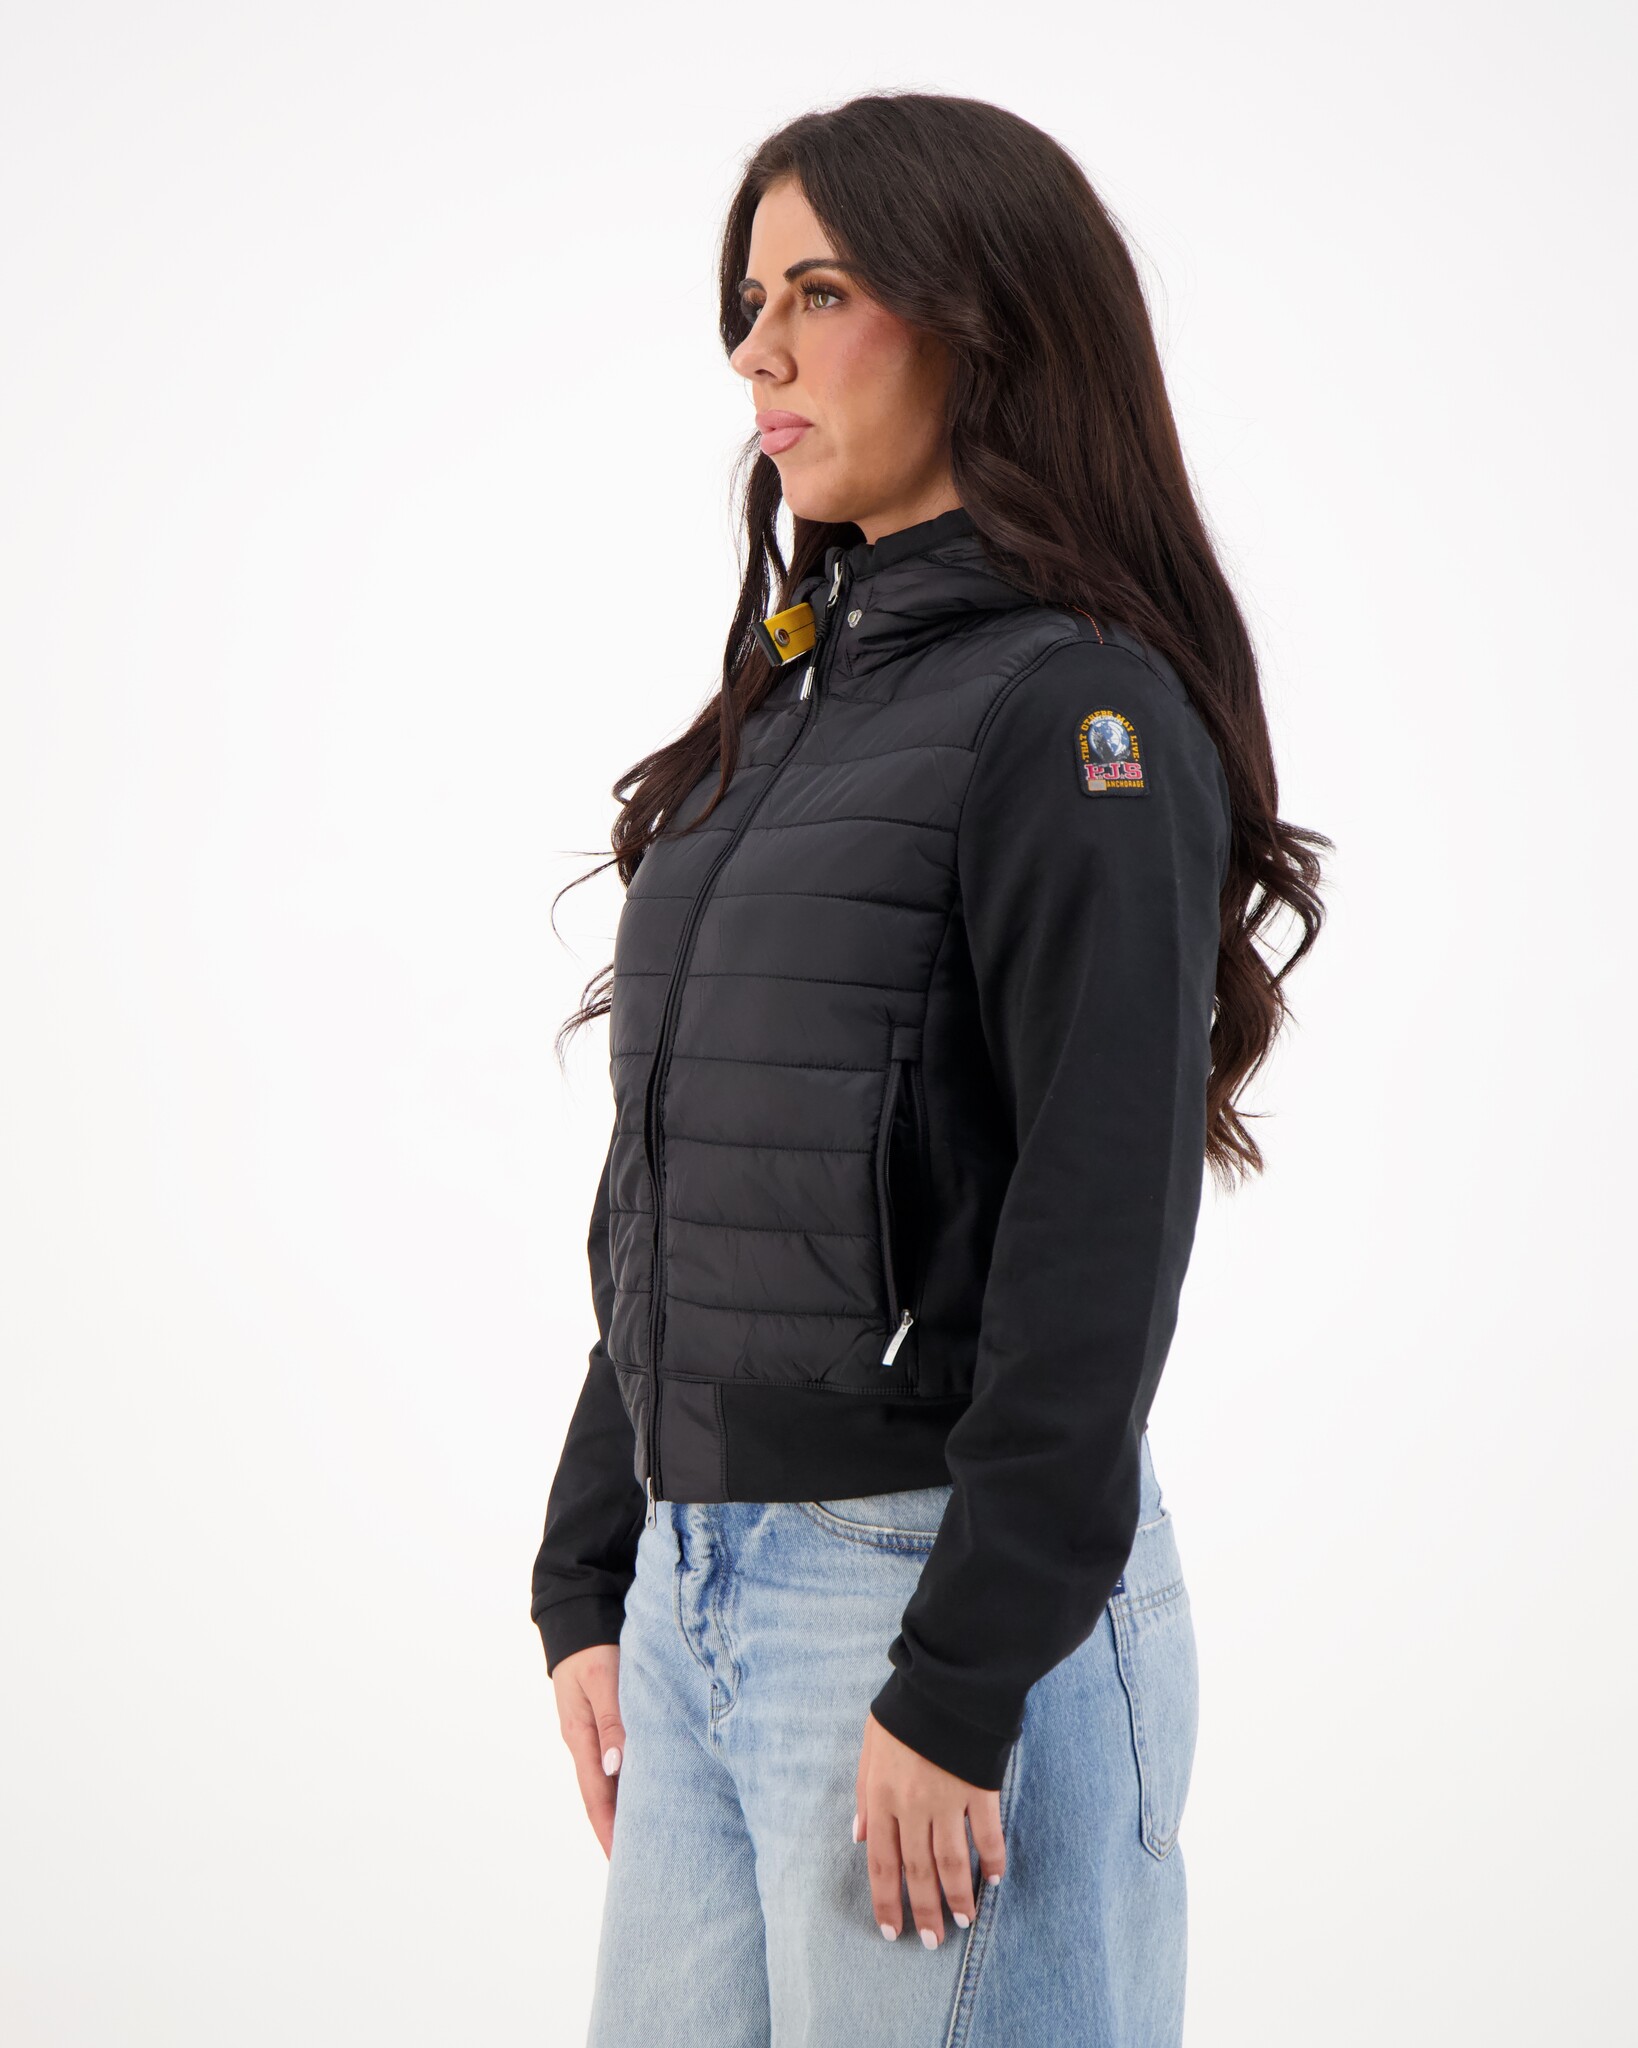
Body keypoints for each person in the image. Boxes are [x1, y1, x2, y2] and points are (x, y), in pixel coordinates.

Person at [530, 91, 1327, 2047]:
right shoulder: (789, 709)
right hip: (702, 1592)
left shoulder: (1078, 710)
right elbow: (685, 1165)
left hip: (927, 1597)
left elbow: (1096, 1215)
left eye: (820, 293)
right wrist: (596, 1556)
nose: (758, 354)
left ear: (984, 316)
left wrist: (961, 1673)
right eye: (748, 302)